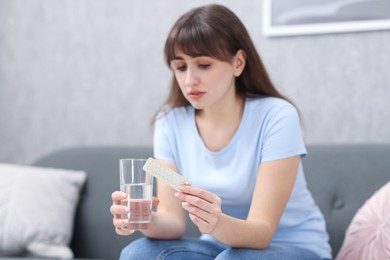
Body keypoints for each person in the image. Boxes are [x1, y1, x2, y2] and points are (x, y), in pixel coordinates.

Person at [110, 4, 331, 260]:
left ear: (238, 63)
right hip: (221, 246)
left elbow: (262, 233)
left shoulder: (277, 116)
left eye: (203, 65)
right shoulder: (169, 122)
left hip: (294, 248)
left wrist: (216, 223)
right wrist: (142, 219)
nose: (190, 80)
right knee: (139, 253)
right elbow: (173, 223)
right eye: (180, 67)